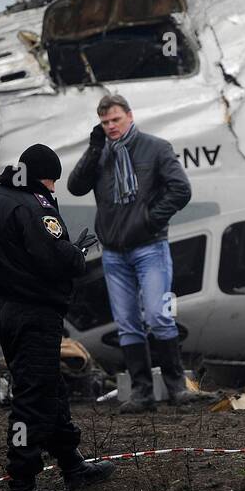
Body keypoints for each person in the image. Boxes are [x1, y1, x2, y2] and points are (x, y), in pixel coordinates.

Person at [0, 143, 116, 491]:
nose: (54, 189)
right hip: (36, 311)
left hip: (6, 308)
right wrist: (78, 254)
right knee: (34, 398)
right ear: (44, 177)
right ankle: (23, 488)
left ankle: (72, 466)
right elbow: (54, 258)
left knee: (50, 391)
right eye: (53, 181)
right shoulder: (33, 205)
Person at [67, 93, 194, 413]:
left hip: (150, 246)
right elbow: (75, 186)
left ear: (130, 116)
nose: (111, 127)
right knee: (126, 322)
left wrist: (150, 219)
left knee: (157, 315)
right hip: (113, 252)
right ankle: (142, 393)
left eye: (115, 120)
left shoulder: (155, 148)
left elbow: (181, 189)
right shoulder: (101, 153)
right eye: (105, 122)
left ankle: (178, 387)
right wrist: (94, 148)